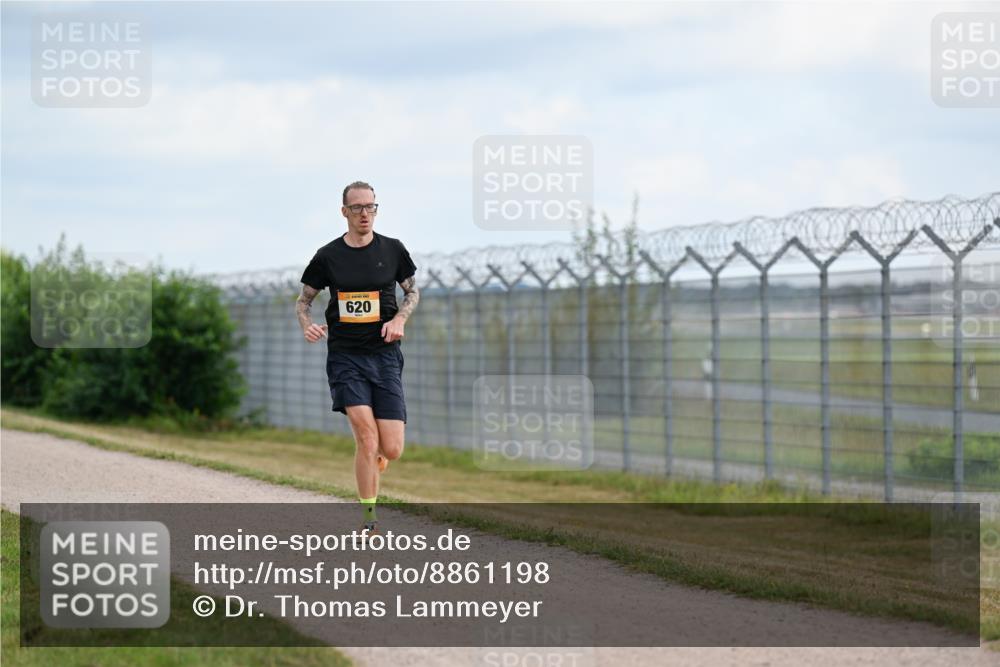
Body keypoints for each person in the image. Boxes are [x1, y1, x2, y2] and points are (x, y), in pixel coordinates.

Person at [296, 181, 419, 533]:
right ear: (344, 212)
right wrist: (307, 325)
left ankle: (379, 459)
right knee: (366, 437)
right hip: (345, 357)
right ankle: (369, 519)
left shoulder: (393, 250)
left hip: (384, 356)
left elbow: (413, 291)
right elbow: (303, 301)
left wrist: (399, 319)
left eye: (371, 207)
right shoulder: (328, 255)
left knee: (391, 448)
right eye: (357, 208)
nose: (365, 214)